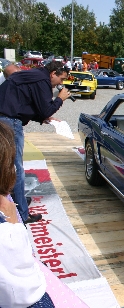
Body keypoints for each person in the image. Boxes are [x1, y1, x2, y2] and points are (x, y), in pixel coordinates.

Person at [0, 122, 115, 308]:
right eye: (12, 164)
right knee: (43, 280)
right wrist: (15, 223)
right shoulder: (5, 216)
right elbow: (20, 289)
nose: (15, 169)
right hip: (22, 307)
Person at [0, 61, 72, 224]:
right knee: (15, 168)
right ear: (53, 73)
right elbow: (45, 108)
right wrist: (60, 99)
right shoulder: (42, 81)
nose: (61, 83)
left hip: (6, 118)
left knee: (8, 164)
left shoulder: (35, 76)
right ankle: (22, 213)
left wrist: (43, 118)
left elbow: (26, 104)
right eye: (61, 79)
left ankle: (19, 202)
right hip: (10, 121)